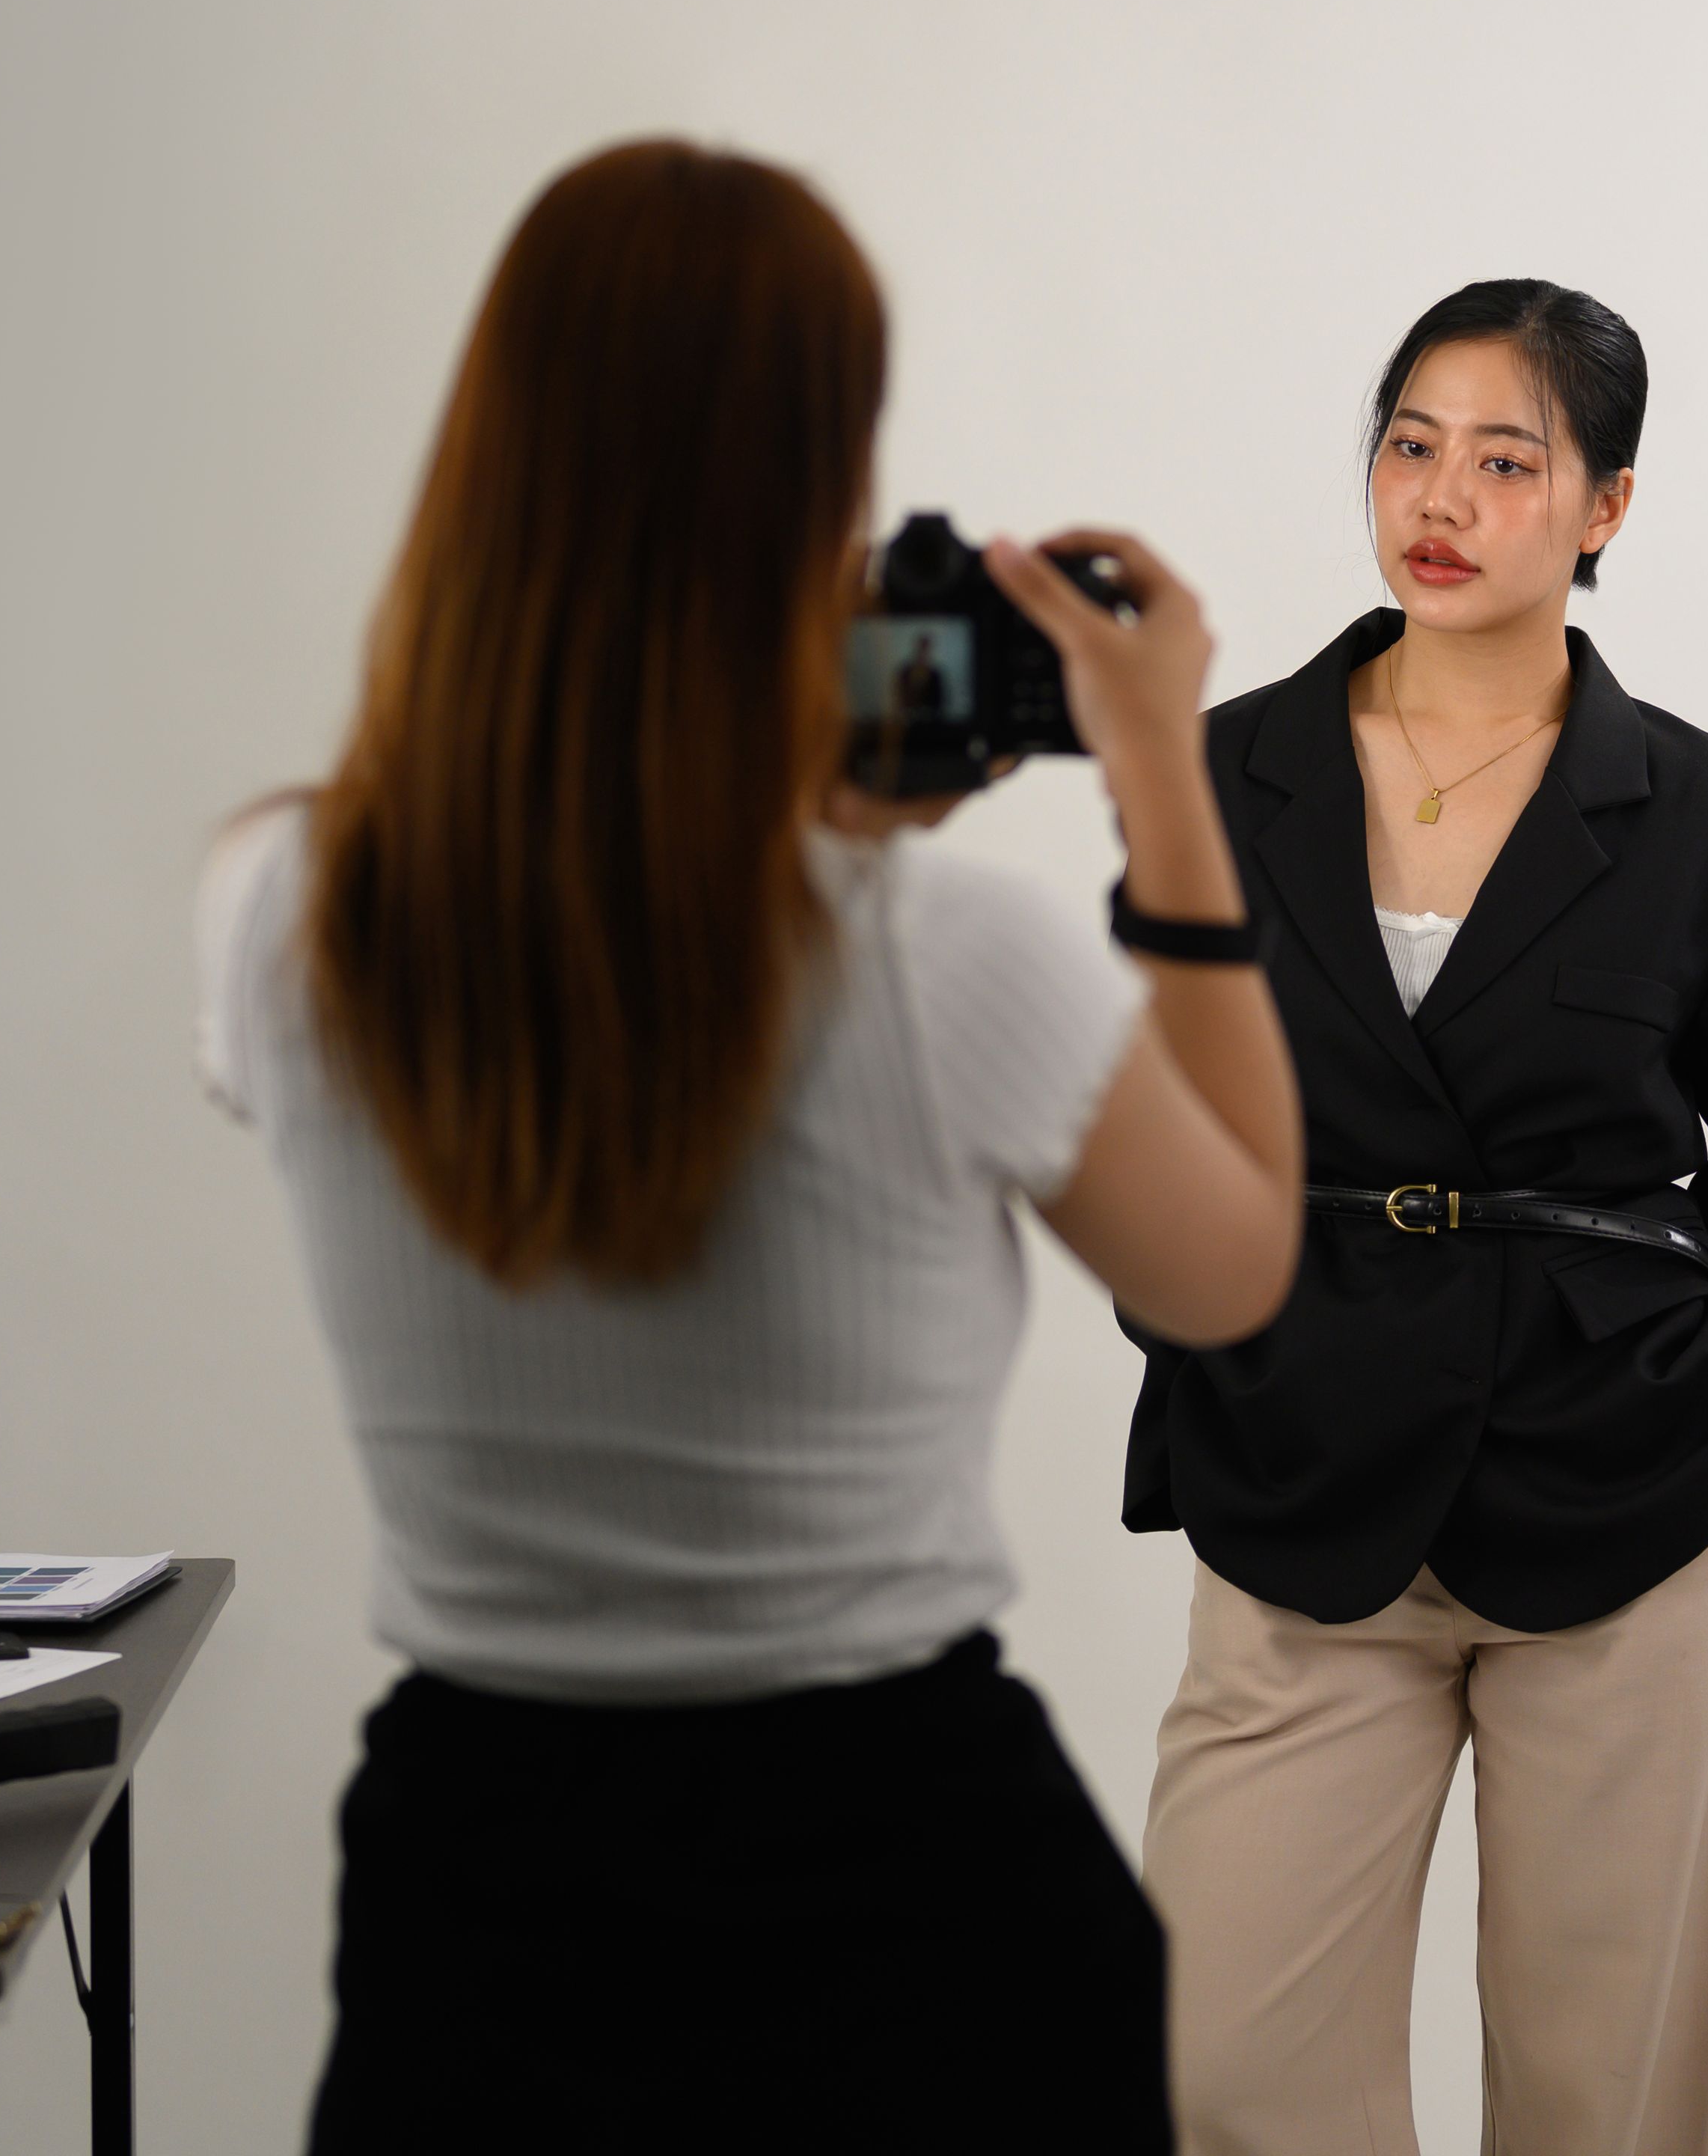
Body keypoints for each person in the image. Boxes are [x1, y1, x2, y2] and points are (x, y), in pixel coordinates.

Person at [200, 138, 1305, 2155]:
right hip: (912, 1900)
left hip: (480, 1892)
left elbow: (630, 987)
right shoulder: (946, 961)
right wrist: (1161, 765)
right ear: (815, 487)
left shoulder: (280, 909)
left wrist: (810, 836)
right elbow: (1234, 1266)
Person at [1131, 279, 1708, 2156]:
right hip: (1303, 1486)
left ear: (1604, 508)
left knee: (1604, 2099)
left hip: (1626, 1498)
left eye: (1506, 459)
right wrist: (1218, 1342)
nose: (1439, 497)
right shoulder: (1221, 773)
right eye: (1409, 444)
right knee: (1223, 2065)